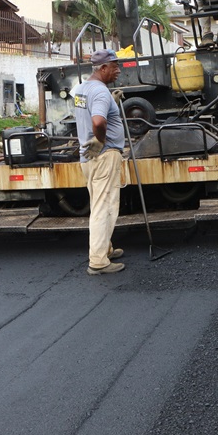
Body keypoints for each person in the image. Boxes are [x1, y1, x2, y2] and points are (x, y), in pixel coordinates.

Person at [74, 49, 127, 275]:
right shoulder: (100, 93)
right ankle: (98, 261)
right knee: (103, 208)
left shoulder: (81, 90)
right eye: (114, 66)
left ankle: (104, 248)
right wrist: (100, 139)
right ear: (103, 68)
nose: (118, 71)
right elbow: (97, 121)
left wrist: (110, 103)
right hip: (104, 155)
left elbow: (88, 112)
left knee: (98, 202)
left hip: (88, 158)